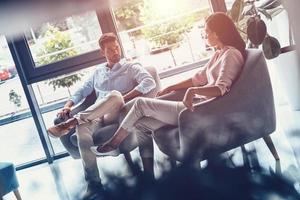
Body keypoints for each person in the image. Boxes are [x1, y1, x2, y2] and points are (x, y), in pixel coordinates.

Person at [90, 12, 246, 156]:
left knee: (139, 104)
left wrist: (192, 91)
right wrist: (171, 87)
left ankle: (113, 143)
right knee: (140, 124)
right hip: (195, 106)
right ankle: (149, 176)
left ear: (217, 33)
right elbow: (197, 79)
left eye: (207, 31)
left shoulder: (231, 54)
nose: (205, 35)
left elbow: (220, 89)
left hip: (201, 109)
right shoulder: (219, 54)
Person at [47, 32, 156, 200]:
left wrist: (123, 97)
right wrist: (67, 106)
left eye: (117, 47)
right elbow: (82, 91)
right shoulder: (97, 71)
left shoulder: (131, 67)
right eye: (110, 50)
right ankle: (94, 184)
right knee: (82, 132)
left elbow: (149, 82)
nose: (115, 52)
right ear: (102, 52)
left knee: (114, 95)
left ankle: (73, 121)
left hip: (118, 112)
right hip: (95, 115)